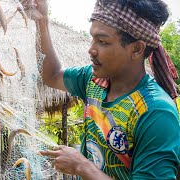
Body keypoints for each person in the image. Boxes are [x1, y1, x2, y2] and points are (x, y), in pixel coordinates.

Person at [23, 0, 180, 179]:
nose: (91, 49)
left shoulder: (156, 113)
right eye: (92, 38)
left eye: (102, 41)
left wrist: (82, 167)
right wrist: (42, 20)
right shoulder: (94, 80)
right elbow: (52, 76)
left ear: (136, 49)